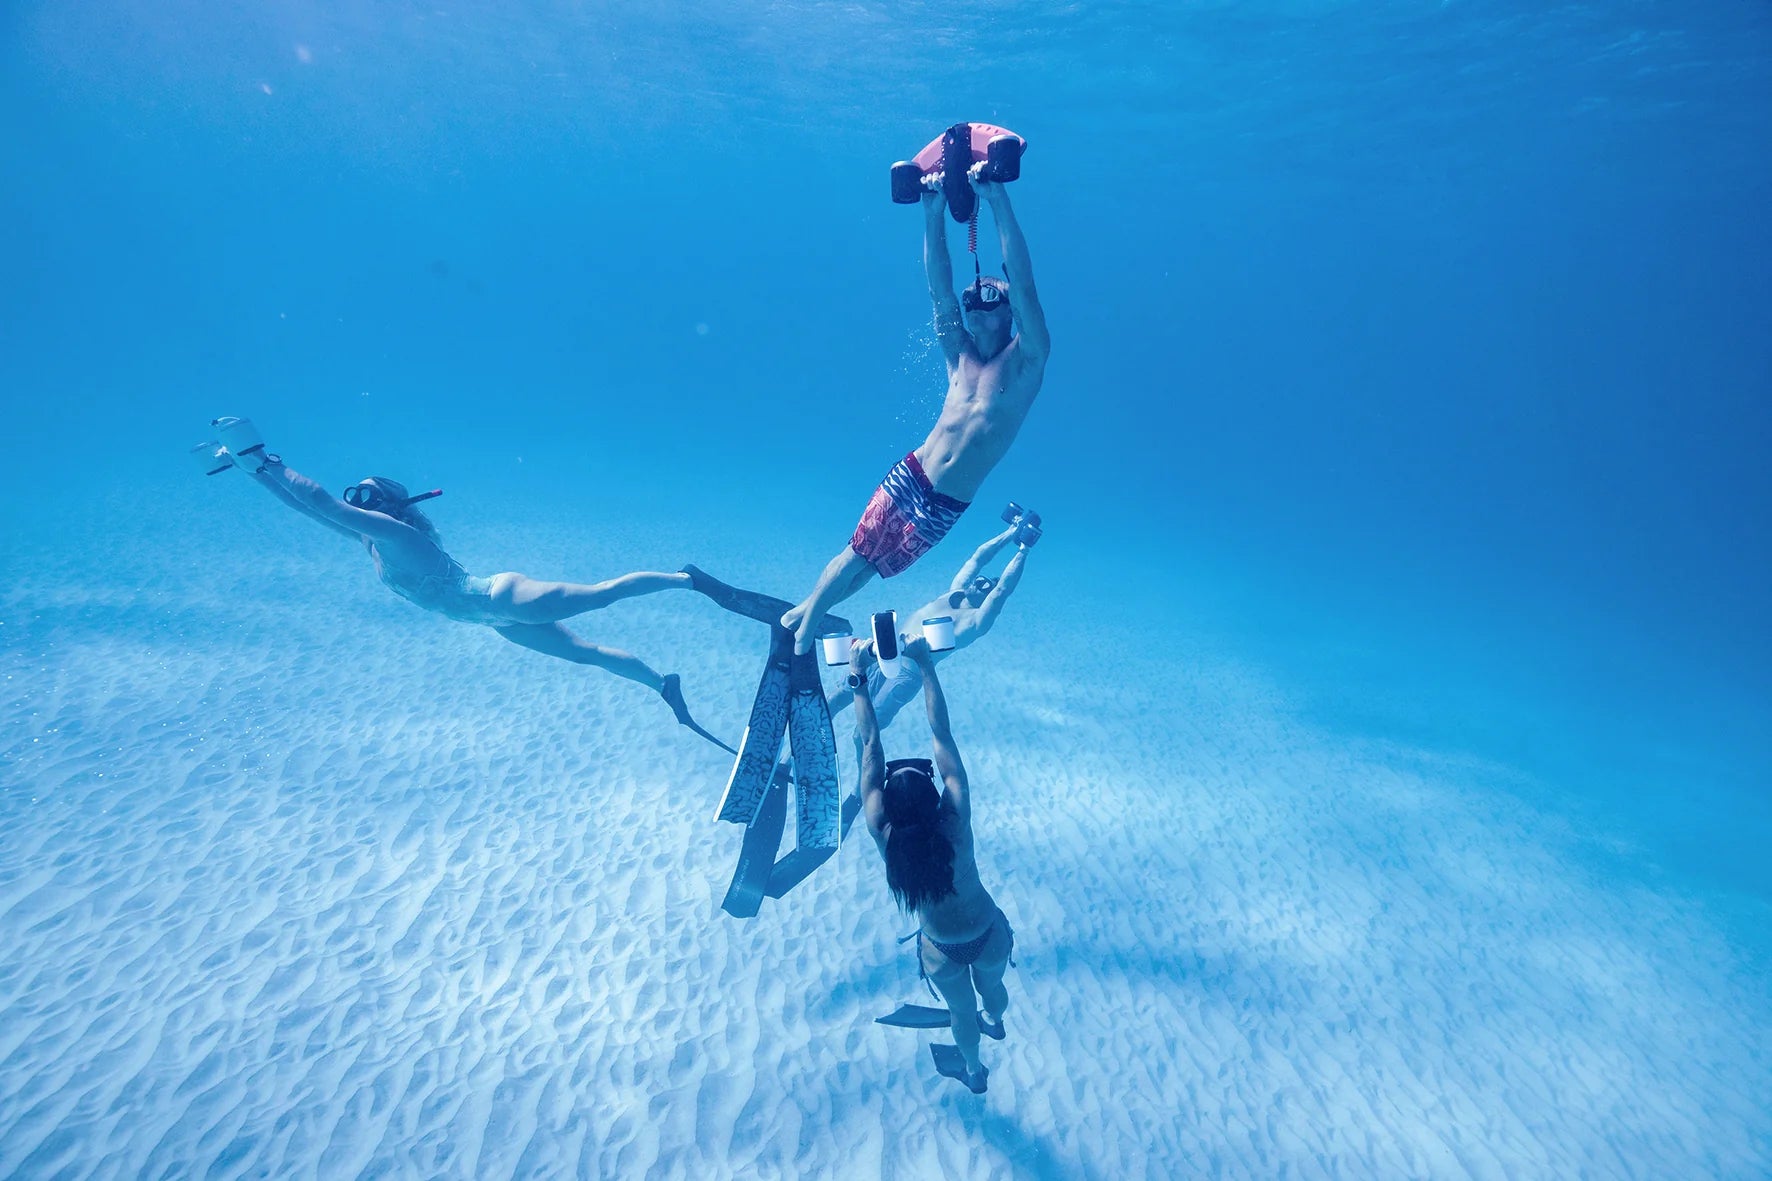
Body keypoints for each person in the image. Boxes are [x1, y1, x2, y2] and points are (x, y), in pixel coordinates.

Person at [221, 435, 720, 742]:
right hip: (494, 621)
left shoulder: (397, 535)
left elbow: (326, 503)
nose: (358, 502)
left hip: (502, 598)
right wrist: (253, 475)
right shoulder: (371, 541)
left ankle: (688, 579)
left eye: (367, 497)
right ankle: (663, 685)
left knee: (602, 594)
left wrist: (264, 459)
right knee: (587, 654)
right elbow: (308, 510)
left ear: (389, 506)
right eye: (359, 495)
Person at [780, 175, 1051, 655]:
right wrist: (931, 214)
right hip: (913, 473)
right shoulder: (959, 355)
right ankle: (802, 634)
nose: (973, 303)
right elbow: (939, 288)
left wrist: (997, 200)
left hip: (946, 505)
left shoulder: (1027, 360)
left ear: (1009, 309)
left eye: (987, 295)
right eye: (972, 300)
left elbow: (1025, 283)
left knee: (873, 568)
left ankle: (803, 612)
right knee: (857, 551)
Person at [850, 637, 1013, 1094]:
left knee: (960, 1012)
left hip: (942, 948)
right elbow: (942, 736)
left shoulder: (885, 835)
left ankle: (974, 1071)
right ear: (933, 794)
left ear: (890, 807)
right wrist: (925, 665)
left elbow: (869, 744)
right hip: (987, 931)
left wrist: (857, 679)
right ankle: (997, 1021)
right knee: (992, 990)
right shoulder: (955, 823)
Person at [824, 520, 1034, 728]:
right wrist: (1011, 531)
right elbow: (978, 558)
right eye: (980, 580)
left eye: (985, 587)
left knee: (865, 732)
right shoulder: (955, 591)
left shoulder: (975, 621)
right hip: (882, 653)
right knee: (832, 702)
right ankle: (789, 759)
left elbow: (1002, 591)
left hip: (906, 675)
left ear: (987, 597)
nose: (978, 584)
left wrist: (1023, 550)